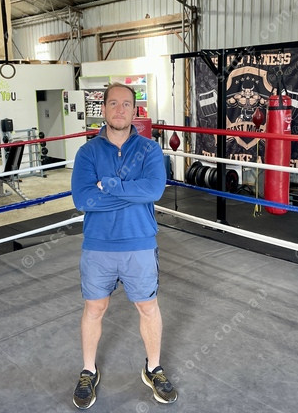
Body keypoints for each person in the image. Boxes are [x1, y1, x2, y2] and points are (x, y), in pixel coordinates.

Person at [70, 82, 178, 409]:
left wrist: (110, 185)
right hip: (98, 246)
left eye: (126, 104)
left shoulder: (149, 150)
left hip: (139, 244)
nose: (120, 109)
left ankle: (153, 367)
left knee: (148, 307)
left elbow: (154, 191)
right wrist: (132, 192)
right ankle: (88, 370)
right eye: (113, 103)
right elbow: (83, 199)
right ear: (103, 109)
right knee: (94, 309)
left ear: (135, 110)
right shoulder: (88, 152)